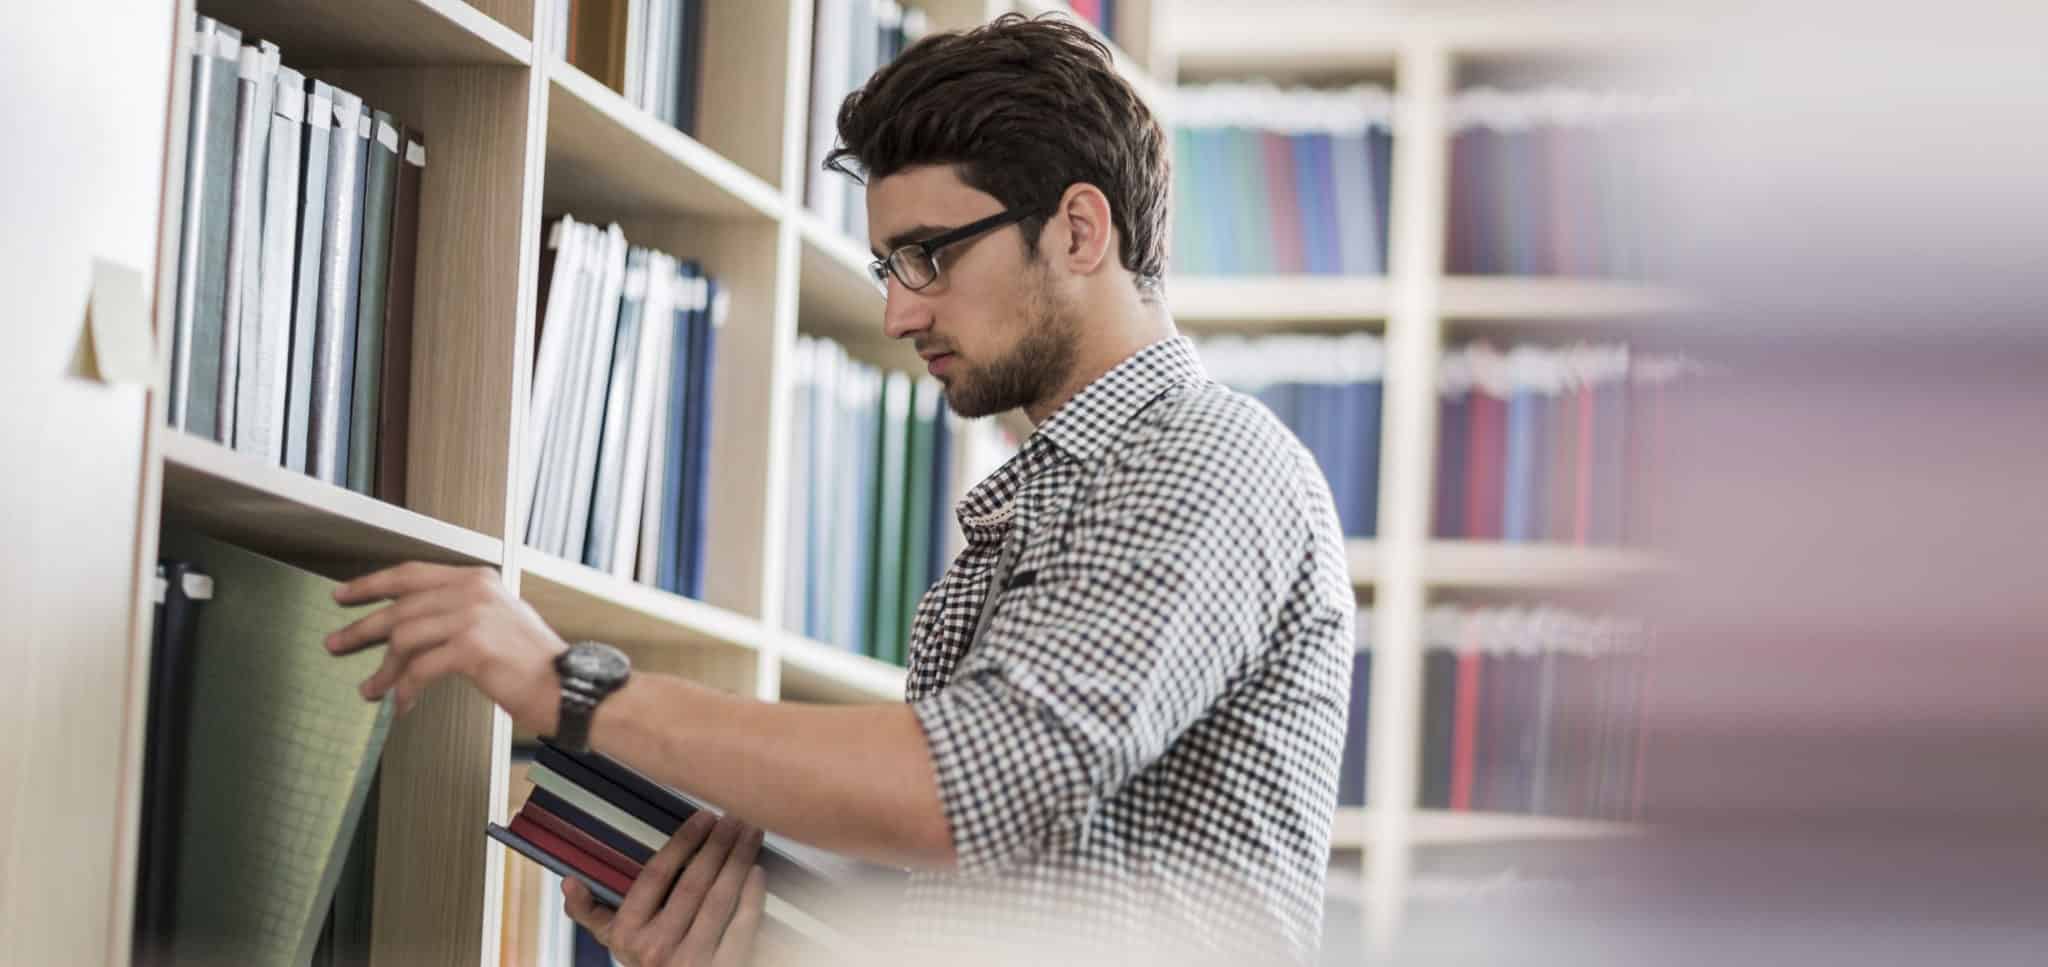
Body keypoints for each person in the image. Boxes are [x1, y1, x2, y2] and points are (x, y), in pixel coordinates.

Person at [323, 13, 1352, 965]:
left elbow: (967, 786)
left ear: (1080, 230)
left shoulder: (1205, 462)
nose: (900, 316)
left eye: (926, 257)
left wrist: (574, 690)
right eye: (885, 268)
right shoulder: (1059, 496)